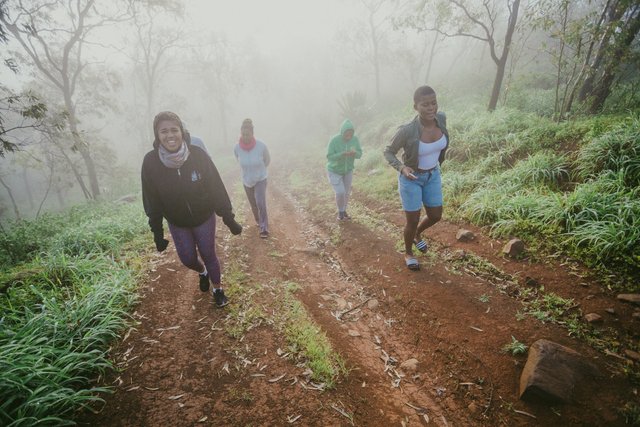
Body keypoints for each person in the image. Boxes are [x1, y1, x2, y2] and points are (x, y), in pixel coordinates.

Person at [141, 111, 243, 307]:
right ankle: (202, 272)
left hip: (204, 216)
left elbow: (216, 187)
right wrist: (157, 232)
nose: (170, 135)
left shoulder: (198, 155)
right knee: (187, 258)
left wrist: (228, 218)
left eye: (174, 130)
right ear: (157, 135)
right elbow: (151, 199)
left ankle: (218, 289)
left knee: (208, 253)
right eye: (164, 131)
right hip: (177, 220)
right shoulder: (151, 163)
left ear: (182, 131)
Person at [383, 86, 449, 271]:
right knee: (412, 220)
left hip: (432, 175)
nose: (431, 108)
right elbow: (388, 151)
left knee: (436, 215)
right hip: (412, 178)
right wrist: (402, 167)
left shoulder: (441, 119)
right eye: (425, 104)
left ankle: (417, 234)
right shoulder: (407, 130)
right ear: (415, 106)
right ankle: (408, 253)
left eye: (433, 103)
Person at [233, 118, 271, 238]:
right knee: (253, 203)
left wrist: (260, 170)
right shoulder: (237, 148)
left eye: (248, 134)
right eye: (243, 134)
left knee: (260, 202)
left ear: (252, 134)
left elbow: (267, 160)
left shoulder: (261, 146)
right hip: (246, 180)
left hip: (260, 178)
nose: (245, 136)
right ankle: (258, 220)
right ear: (241, 133)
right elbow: (238, 160)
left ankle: (264, 227)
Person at [326, 119, 362, 220]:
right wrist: (342, 154)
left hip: (348, 170)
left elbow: (360, 154)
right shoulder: (334, 140)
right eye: (347, 133)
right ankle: (340, 211)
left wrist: (355, 153)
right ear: (342, 132)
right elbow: (329, 157)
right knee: (340, 192)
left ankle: (343, 211)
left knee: (346, 193)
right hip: (334, 171)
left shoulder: (355, 140)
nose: (349, 136)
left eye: (351, 133)